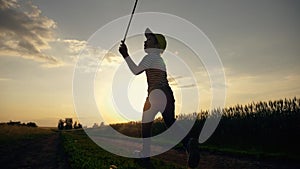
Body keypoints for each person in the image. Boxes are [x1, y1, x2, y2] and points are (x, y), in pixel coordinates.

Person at [119, 28, 200, 168]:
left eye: (149, 40)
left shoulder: (150, 56)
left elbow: (136, 71)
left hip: (155, 94)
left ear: (156, 47)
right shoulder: (159, 59)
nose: (145, 41)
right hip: (167, 94)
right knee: (170, 122)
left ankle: (145, 156)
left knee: (145, 125)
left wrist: (125, 54)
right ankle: (188, 143)